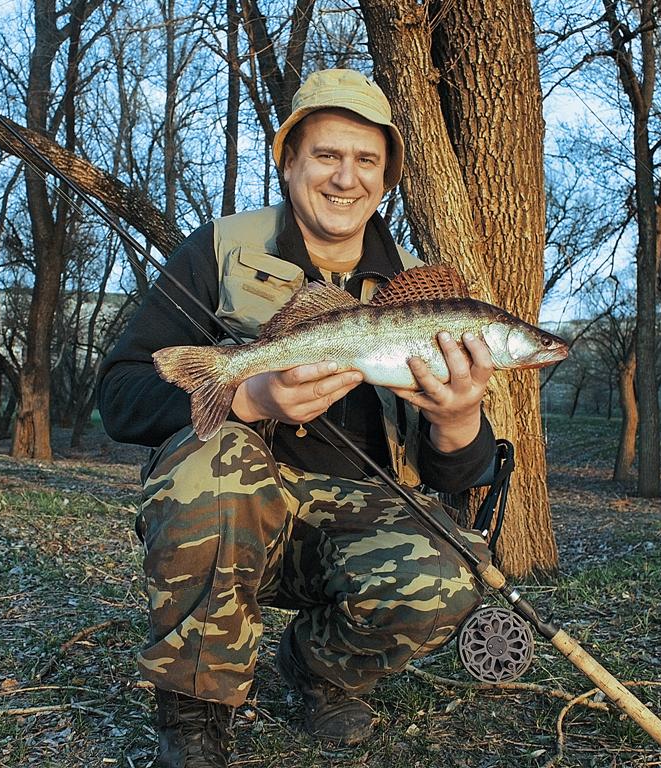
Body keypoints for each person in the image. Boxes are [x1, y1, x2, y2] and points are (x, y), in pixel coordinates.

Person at [98, 68, 497, 768]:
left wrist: (458, 420)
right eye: (326, 155)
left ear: (386, 178)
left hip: (348, 526)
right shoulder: (218, 248)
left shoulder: (419, 288)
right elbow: (122, 394)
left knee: (458, 563)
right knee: (219, 461)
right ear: (288, 163)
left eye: (366, 160)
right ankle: (195, 710)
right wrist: (251, 400)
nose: (346, 178)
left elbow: (454, 476)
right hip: (226, 513)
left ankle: (318, 672)